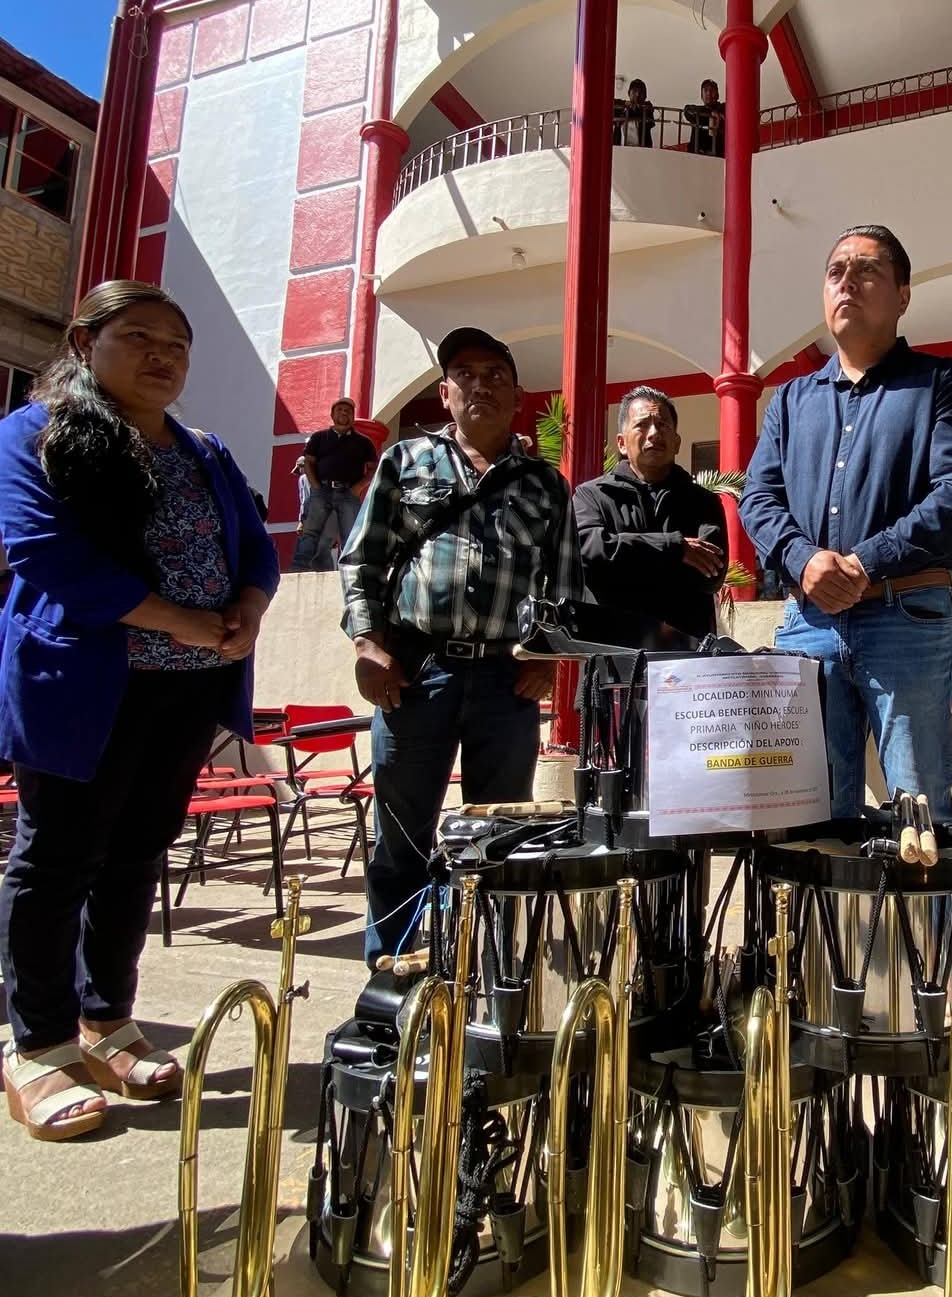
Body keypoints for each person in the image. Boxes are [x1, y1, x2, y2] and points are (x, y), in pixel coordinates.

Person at [0, 282, 279, 1142]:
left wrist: (247, 611)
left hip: (186, 688)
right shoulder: (34, 435)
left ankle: (105, 1022)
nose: (164, 355)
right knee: (58, 860)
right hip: (86, 688)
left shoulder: (205, 449)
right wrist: (176, 618)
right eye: (139, 337)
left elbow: (257, 548)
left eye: (178, 343)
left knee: (136, 856)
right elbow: (42, 551)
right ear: (86, 345)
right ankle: (37, 1047)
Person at [340, 328, 582, 969]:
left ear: (518, 395)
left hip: (507, 681)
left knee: (497, 833)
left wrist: (546, 660)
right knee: (401, 835)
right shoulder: (405, 462)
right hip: (416, 672)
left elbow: (563, 585)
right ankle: (389, 977)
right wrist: (367, 644)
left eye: (496, 373)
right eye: (465, 374)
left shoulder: (545, 485)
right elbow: (361, 560)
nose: (482, 384)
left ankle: (479, 969)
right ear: (445, 393)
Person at [741, 224, 952, 821]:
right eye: (835, 272)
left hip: (905, 616)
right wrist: (804, 559)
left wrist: (862, 562)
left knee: (919, 811)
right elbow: (758, 497)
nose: (847, 282)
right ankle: (815, 921)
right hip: (808, 623)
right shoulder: (789, 400)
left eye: (868, 270)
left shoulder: (943, 384)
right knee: (808, 811)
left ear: (903, 295)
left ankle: (920, 920)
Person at [574, 386, 727, 640]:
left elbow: (710, 575)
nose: (654, 433)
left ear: (677, 442)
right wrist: (674, 549)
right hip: (613, 655)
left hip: (685, 659)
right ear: (621, 443)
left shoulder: (703, 502)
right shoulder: (592, 496)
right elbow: (589, 555)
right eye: (642, 425)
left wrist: (624, 565)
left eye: (663, 425)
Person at [293, 397, 376, 571]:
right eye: (340, 410)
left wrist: (356, 489)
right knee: (310, 532)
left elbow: (373, 469)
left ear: (353, 416)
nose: (344, 413)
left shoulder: (364, 442)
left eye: (348, 410)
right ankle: (298, 570)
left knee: (350, 536)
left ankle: (350, 572)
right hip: (321, 491)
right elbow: (308, 462)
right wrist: (316, 487)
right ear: (332, 414)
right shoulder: (319, 438)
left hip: (348, 493)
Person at [683, 79, 725, 158]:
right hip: (696, 154)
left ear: (717, 94)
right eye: (705, 90)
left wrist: (716, 114)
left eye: (712, 90)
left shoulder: (723, 109)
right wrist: (710, 113)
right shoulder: (696, 110)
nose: (708, 93)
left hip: (716, 156)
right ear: (702, 95)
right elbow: (687, 110)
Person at [613, 79, 656, 149]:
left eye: (641, 92)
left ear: (645, 96)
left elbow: (646, 114)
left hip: (644, 149)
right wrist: (625, 104)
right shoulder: (622, 108)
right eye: (635, 91)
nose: (637, 95)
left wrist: (634, 107)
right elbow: (611, 102)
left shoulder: (647, 108)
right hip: (621, 149)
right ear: (629, 93)